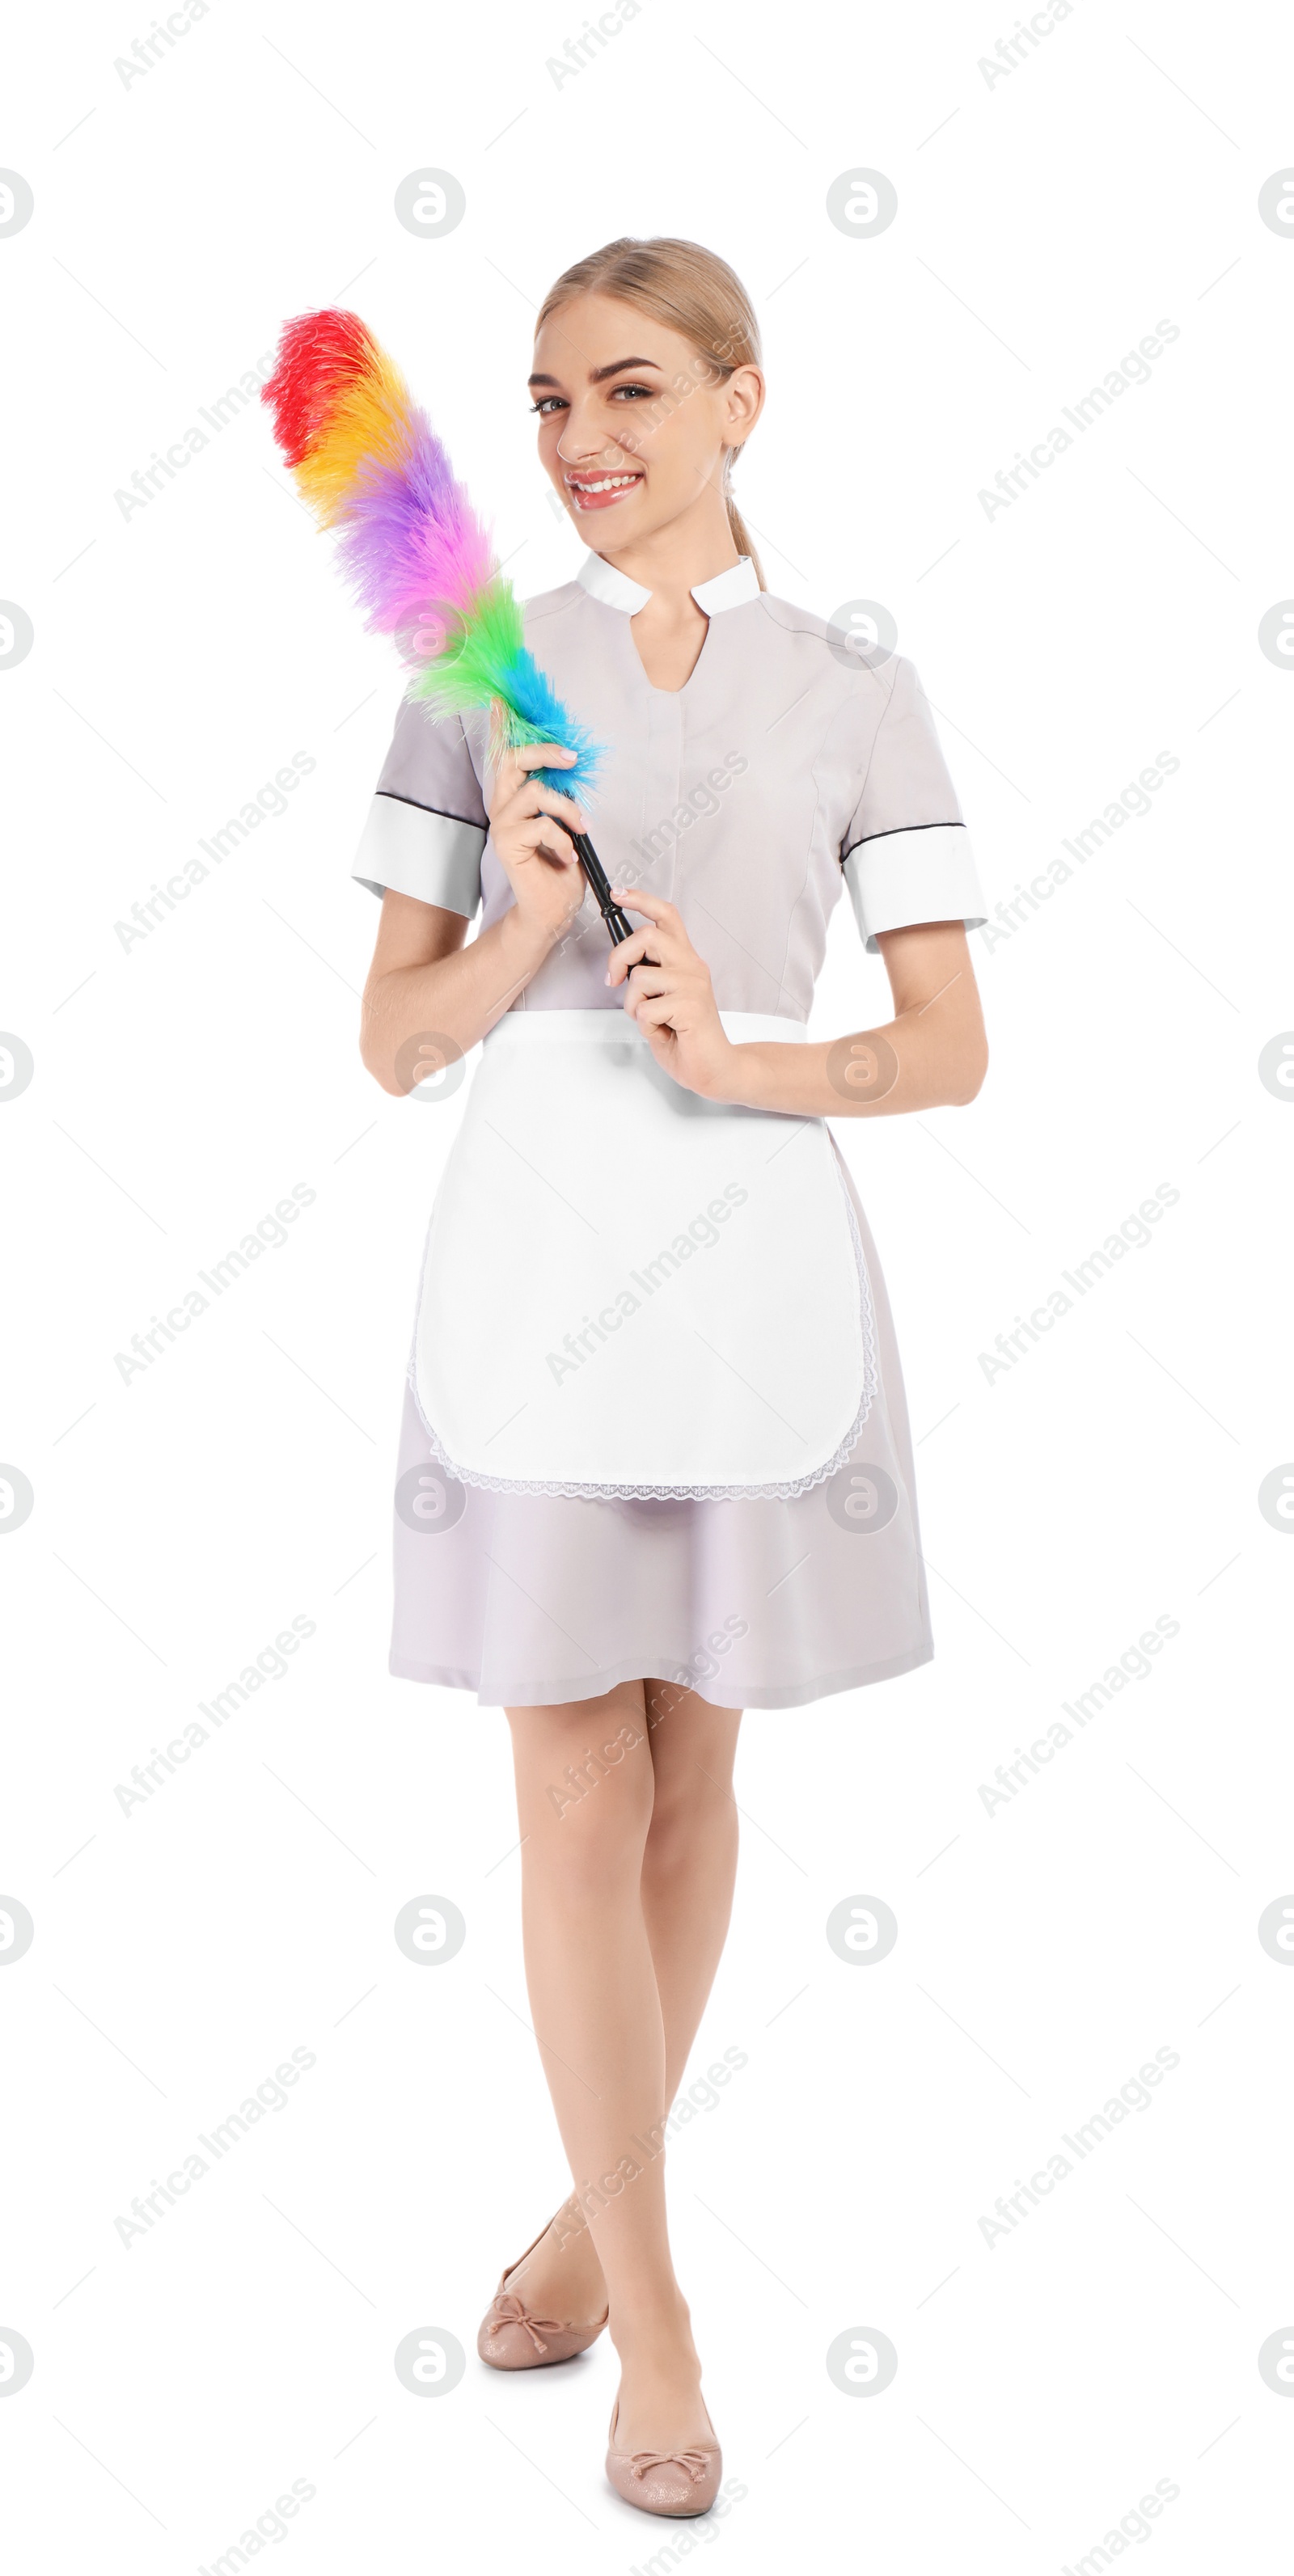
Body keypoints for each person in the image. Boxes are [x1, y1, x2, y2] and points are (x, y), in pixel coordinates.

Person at [354, 236, 988, 2520]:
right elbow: (393, 1045)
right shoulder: (473, 678)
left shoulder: (852, 690)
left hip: (750, 1274)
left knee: (696, 1782)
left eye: (628, 390)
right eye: (541, 402)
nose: (579, 442)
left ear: (744, 402)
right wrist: (523, 934)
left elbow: (948, 1052)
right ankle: (665, 2310)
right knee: (572, 1797)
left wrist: (748, 1053)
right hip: (531, 1269)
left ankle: (571, 2234)